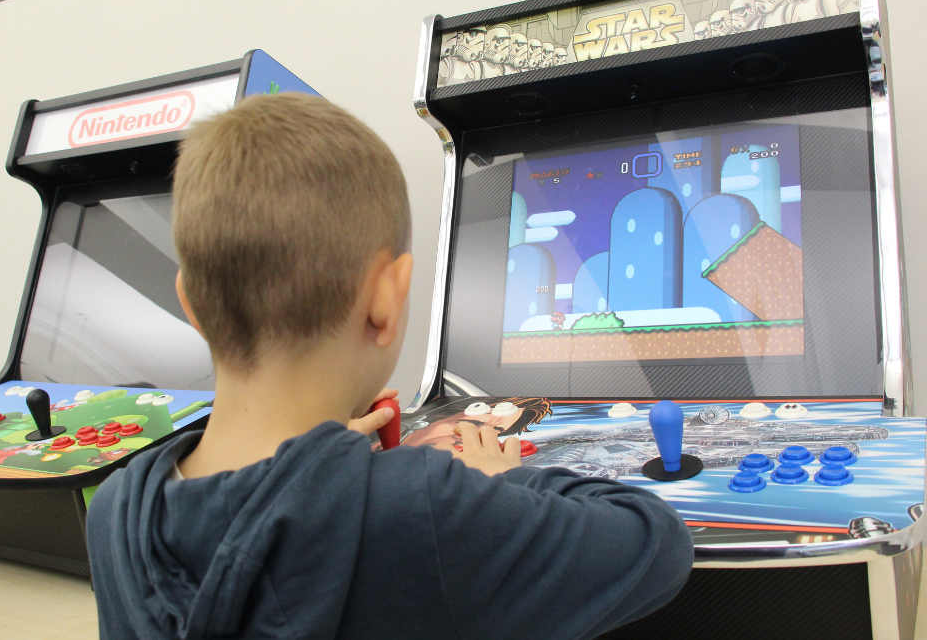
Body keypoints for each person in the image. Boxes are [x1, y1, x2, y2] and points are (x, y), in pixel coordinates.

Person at [86, 92, 693, 640]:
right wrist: (501, 479)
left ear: (190, 302)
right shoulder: (427, 506)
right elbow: (658, 545)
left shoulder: (116, 510)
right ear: (386, 298)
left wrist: (321, 466)